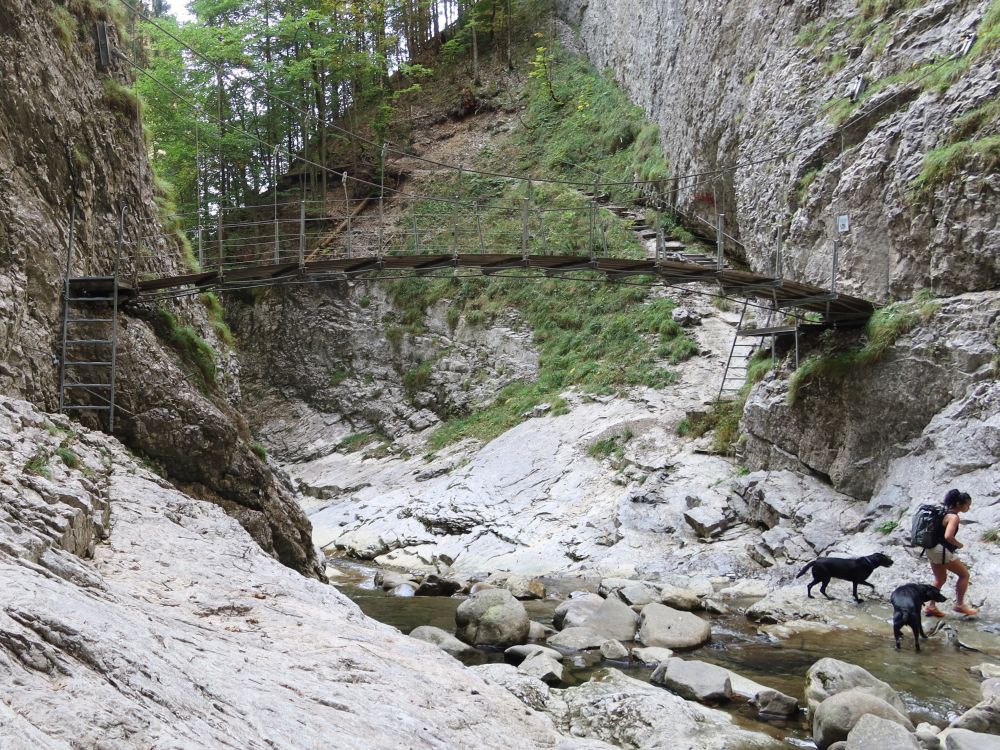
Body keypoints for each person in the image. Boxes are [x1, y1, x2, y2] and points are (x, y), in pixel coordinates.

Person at [924, 489, 978, 617]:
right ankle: (960, 605)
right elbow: (948, 536)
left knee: (940, 578)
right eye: (967, 505)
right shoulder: (953, 517)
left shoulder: (942, 512)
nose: (968, 508)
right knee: (964, 575)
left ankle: (931, 606)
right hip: (941, 550)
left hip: (930, 548)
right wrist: (958, 544)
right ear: (959, 504)